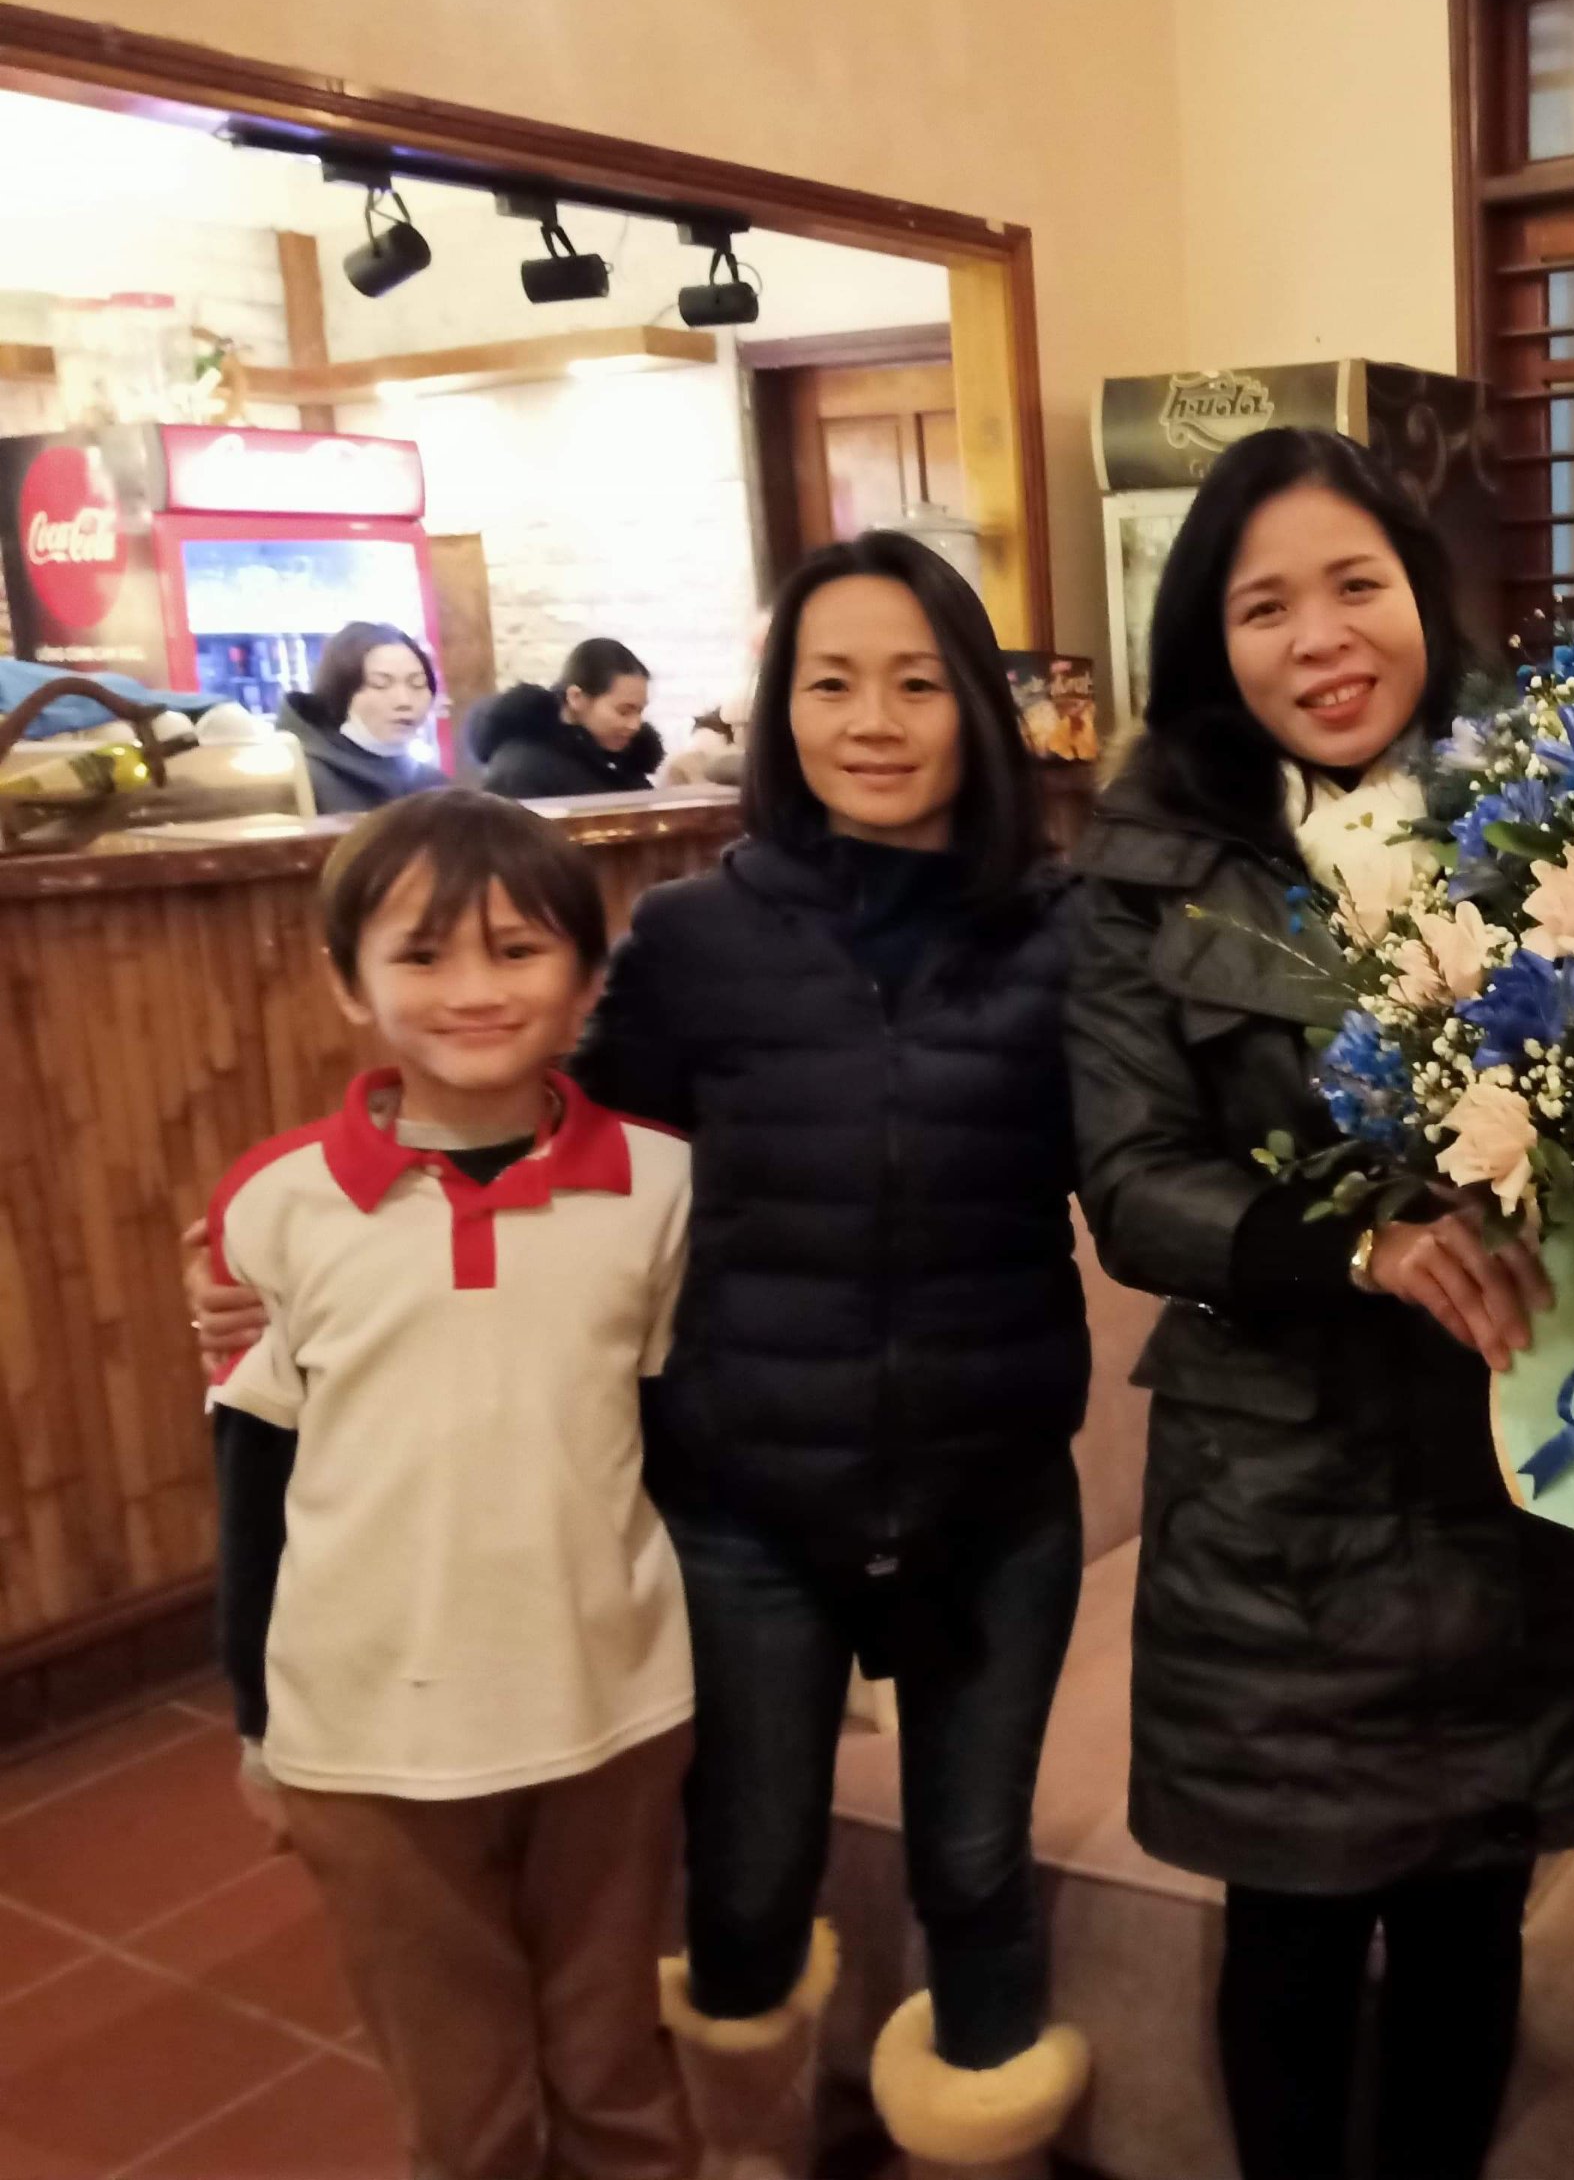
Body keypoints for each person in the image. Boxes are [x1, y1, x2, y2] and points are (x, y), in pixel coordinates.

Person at [190, 532, 1095, 2180]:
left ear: (978, 704)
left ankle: (982, 2148)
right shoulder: (692, 936)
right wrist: (296, 1242)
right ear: (778, 706)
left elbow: (1153, 1166)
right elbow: (542, 1137)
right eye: (830, 682)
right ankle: (753, 2153)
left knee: (975, 1867)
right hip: (748, 1506)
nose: (872, 720)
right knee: (743, 1882)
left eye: (914, 682)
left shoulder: (1068, 932)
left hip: (994, 1487)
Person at [1065, 425, 1574, 2180]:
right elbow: (1134, 1181)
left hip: (1516, 1460)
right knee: (1295, 1924)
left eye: (1358, 584)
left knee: (1477, 1916)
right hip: (1285, 1508)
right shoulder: (1145, 865)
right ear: (1210, 639)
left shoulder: (1557, 814)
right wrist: (1363, 1239)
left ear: (1424, 594)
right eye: (1266, 605)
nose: (1321, 637)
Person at [206, 789, 695, 2180]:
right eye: (421, 955)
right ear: (346, 982)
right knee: (459, 2105)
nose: (474, 990)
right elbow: (251, 1470)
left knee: (616, 2069)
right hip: (365, 1739)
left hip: (611, 1708)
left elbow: (675, 1441)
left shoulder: (663, 1188)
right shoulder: (276, 1203)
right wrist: (257, 1722)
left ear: (587, 981)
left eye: (518, 949)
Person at [279, 620, 448, 814]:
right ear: (339, 691)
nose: (404, 701)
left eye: (417, 684)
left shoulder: (433, 785)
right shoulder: (294, 778)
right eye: (380, 685)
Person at [473, 637, 664, 799]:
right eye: (624, 711)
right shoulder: (520, 770)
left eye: (639, 712)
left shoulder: (624, 764)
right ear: (576, 698)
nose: (635, 725)